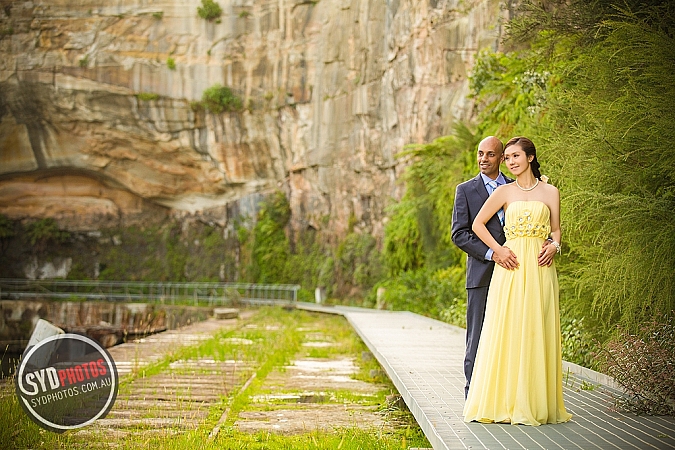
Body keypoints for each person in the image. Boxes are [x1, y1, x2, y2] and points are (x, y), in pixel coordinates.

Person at [463, 136, 572, 426]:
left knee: (537, 327)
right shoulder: (504, 191)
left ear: (530, 158)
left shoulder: (551, 192)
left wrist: (554, 246)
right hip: (511, 267)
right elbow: (477, 224)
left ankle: (535, 401)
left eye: (515, 156)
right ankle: (504, 401)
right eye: (507, 157)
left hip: (540, 268)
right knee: (507, 328)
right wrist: (498, 250)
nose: (510, 162)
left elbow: (556, 230)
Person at [451, 136, 514, 399]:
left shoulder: (515, 187)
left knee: (511, 333)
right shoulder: (466, 190)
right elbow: (459, 234)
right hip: (481, 274)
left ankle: (506, 395)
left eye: (490, 154)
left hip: (515, 272)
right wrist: (492, 254)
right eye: (480, 154)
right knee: (476, 335)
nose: (483, 159)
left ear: (501, 158)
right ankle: (473, 396)